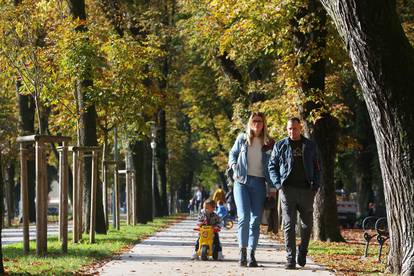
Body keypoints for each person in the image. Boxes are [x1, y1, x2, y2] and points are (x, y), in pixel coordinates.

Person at [268, 117, 320, 269]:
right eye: (290, 128)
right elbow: (272, 166)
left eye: (295, 128)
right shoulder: (280, 145)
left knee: (306, 225)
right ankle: (290, 258)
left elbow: (318, 167)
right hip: (287, 190)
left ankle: (302, 250)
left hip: (306, 190)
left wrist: (315, 186)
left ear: (300, 128)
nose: (292, 131)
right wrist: (278, 184)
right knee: (289, 225)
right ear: (287, 129)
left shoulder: (310, 145)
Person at [228, 112, 274, 267]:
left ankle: (252, 255)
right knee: (244, 217)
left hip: (260, 184)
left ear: (264, 123)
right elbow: (232, 154)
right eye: (254, 121)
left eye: (260, 121)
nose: (257, 124)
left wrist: (273, 187)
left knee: (255, 221)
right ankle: (242, 252)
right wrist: (234, 167)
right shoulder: (242, 138)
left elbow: (273, 165)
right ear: (250, 122)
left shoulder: (268, 142)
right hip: (241, 182)